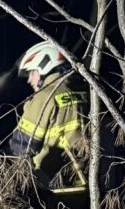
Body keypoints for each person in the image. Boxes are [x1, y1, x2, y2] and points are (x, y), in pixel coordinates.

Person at [9, 41, 87, 187]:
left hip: (55, 185)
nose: (29, 79)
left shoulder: (44, 97)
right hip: (92, 180)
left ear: (45, 67)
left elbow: (21, 146)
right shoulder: (87, 91)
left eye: (32, 73)